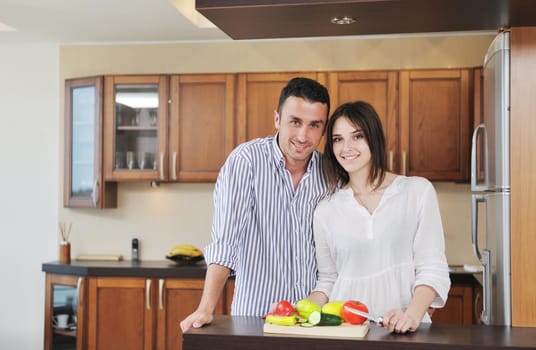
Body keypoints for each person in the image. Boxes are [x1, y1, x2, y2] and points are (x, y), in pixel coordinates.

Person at [180, 77, 330, 332]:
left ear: (324, 129)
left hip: (313, 322)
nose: (303, 136)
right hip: (255, 320)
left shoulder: (330, 173)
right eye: (295, 122)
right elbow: (226, 240)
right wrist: (206, 308)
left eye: (314, 125)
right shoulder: (246, 161)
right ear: (277, 120)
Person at [307, 101, 450, 333]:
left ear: (374, 138)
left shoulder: (416, 192)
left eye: (357, 136)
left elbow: (432, 268)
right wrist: (298, 310)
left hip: (406, 331)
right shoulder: (326, 211)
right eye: (338, 139)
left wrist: (411, 316)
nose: (346, 147)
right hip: (345, 333)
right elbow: (328, 280)